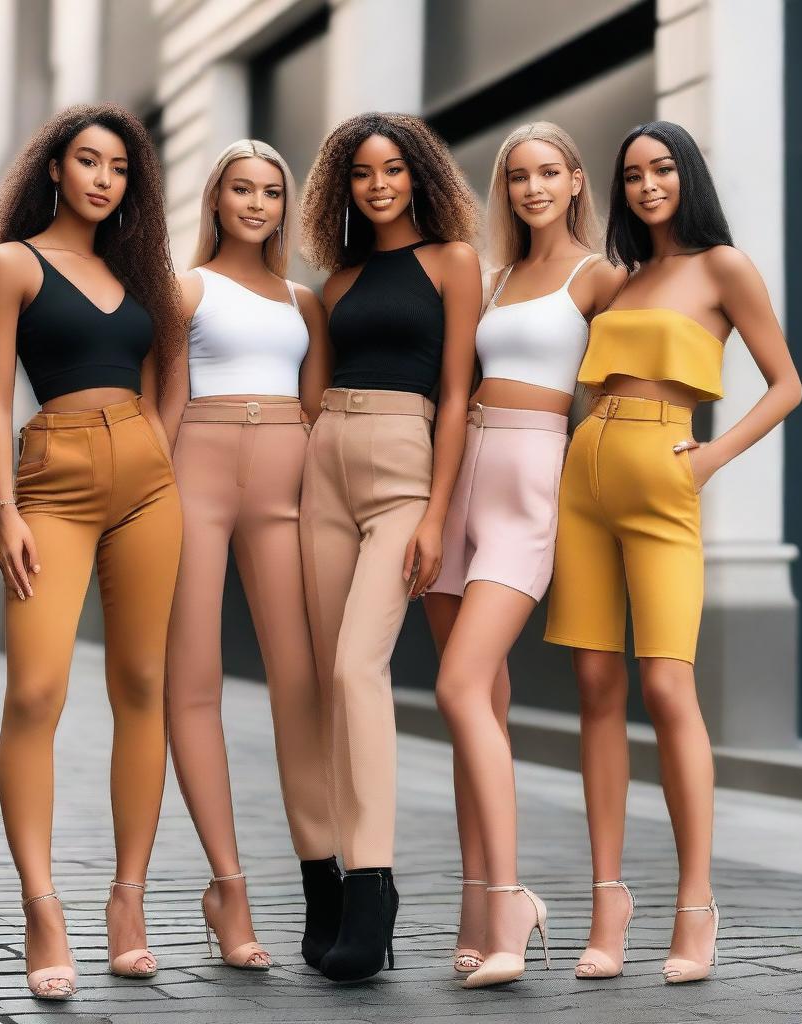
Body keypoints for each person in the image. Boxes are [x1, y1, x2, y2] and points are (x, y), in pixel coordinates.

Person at [545, 120, 802, 984]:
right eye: (634, 175)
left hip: (666, 474)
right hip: (584, 473)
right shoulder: (619, 278)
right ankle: (607, 900)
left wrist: (712, 459)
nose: (649, 184)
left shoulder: (721, 267)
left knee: (665, 681)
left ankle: (696, 905)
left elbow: (787, 382)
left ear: (686, 175)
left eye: (663, 169)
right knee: (594, 683)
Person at [0, 104, 185, 999]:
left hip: (147, 485)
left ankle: (128, 903)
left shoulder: (138, 274)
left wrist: (160, 452)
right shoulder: (11, 264)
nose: (104, 178)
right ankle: (41, 906)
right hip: (49, 485)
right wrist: (3, 509)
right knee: (35, 690)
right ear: (53, 169)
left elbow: (167, 371)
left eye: (119, 168)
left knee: (142, 685)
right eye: (88, 161)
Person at [424, 122, 625, 988]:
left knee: (459, 687)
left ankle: (512, 904)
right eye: (517, 177)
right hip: (462, 473)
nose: (533, 187)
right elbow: (454, 383)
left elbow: (625, 392)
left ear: (577, 181)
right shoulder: (492, 276)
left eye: (549, 173)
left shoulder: (602, 277)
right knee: (481, 716)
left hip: (535, 483)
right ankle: (479, 910)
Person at [298, 112, 481, 981]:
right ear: (345, 185)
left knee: (354, 670)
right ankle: (336, 883)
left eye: (394, 170)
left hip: (407, 469)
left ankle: (373, 887)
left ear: (421, 178)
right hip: (323, 462)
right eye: (363, 173)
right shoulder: (334, 283)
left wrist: (439, 513)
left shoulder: (453, 264)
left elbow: (456, 393)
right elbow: (313, 389)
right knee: (327, 686)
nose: (379, 185)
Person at [158, 140, 339, 972]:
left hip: (287, 485)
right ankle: (227, 888)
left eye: (272, 190)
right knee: (191, 681)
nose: (258, 203)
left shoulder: (306, 302)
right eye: (242, 188)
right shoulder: (184, 288)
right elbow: (166, 406)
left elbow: (320, 412)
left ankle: (323, 877)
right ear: (217, 199)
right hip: (195, 478)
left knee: (299, 684)